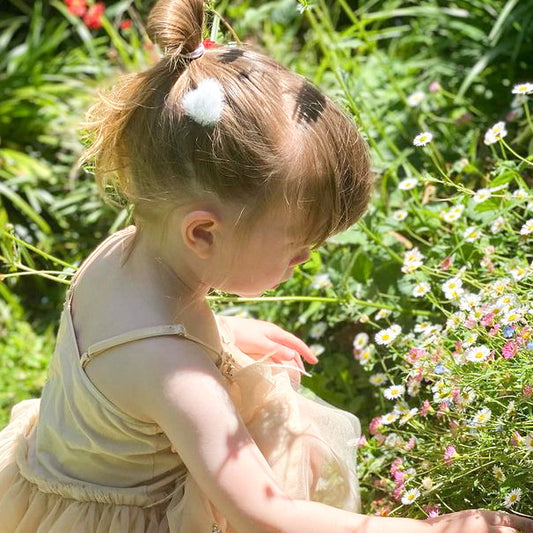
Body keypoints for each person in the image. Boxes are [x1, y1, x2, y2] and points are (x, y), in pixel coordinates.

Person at [1, 0, 532, 531]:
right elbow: (264, 515)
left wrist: (221, 330)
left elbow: (115, 348)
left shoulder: (125, 256)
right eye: (298, 247)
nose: (307, 259)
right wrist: (434, 529)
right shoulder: (177, 378)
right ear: (203, 232)